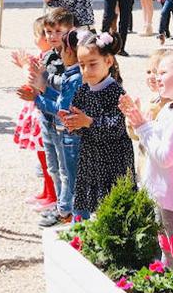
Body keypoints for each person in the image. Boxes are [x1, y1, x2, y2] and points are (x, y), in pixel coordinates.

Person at [121, 49, 173, 268]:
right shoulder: (169, 108)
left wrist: (143, 127)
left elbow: (165, 156)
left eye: (163, 72)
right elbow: (153, 139)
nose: (157, 77)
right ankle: (172, 286)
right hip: (161, 192)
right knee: (166, 247)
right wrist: (141, 124)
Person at [56, 32, 135, 218]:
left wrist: (89, 122)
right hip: (91, 156)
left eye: (92, 64)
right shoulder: (83, 91)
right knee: (94, 207)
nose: (86, 70)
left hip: (113, 159)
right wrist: (72, 123)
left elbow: (118, 127)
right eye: (82, 65)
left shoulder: (115, 91)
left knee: (113, 206)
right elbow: (80, 125)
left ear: (108, 61)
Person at [28, 13, 84, 226]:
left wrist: (44, 84)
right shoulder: (49, 55)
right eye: (49, 32)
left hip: (61, 120)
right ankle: (61, 204)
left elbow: (66, 87)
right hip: (46, 117)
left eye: (58, 32)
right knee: (52, 167)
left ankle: (66, 209)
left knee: (65, 168)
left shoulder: (71, 57)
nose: (52, 36)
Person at [13, 17, 56, 211]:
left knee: (47, 156)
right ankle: (47, 191)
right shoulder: (43, 55)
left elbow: (36, 82)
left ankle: (52, 193)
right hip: (36, 108)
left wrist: (24, 68)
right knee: (42, 155)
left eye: (38, 34)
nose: (36, 38)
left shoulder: (49, 58)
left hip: (42, 108)